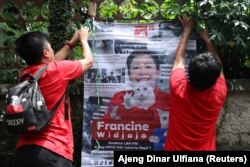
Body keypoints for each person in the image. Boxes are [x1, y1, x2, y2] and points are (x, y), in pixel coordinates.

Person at [12, 27, 93, 167]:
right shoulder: (59, 70)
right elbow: (88, 61)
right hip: (53, 150)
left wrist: (71, 43)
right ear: (45, 53)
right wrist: (83, 39)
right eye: (50, 46)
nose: (52, 49)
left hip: (23, 152)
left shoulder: (25, 75)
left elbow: (51, 62)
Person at [164, 16, 227, 151]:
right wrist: (208, 39)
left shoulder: (179, 88)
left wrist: (187, 29)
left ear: (189, 74)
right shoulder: (219, 94)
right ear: (215, 80)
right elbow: (219, 66)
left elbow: (179, 59)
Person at [103, 50, 170, 128]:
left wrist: (119, 110)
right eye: (136, 67)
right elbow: (107, 124)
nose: (142, 72)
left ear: (157, 73)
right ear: (129, 75)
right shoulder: (119, 96)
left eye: (148, 66)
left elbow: (159, 121)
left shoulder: (166, 98)